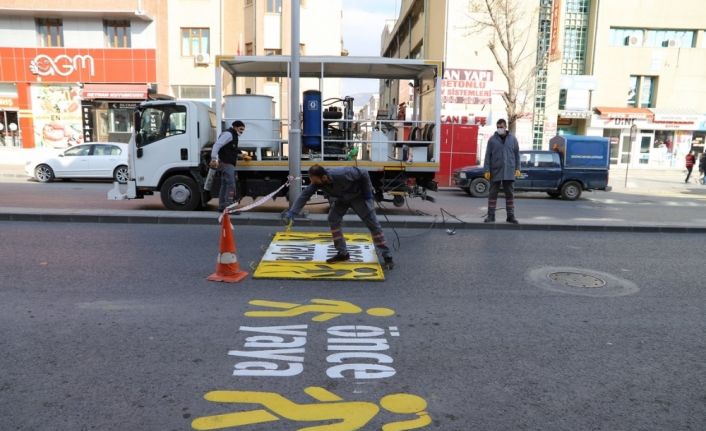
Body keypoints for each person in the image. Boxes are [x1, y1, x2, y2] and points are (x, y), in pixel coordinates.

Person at [283, 165, 394, 269]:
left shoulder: (342, 174)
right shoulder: (317, 182)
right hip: (342, 199)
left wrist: (368, 195)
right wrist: (292, 213)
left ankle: (387, 256)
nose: (314, 184)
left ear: (324, 177)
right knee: (333, 219)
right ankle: (342, 253)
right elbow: (305, 195)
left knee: (373, 224)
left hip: (358, 197)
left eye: (316, 181)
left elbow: (364, 173)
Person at [482, 118, 521, 223]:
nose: (499, 129)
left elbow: (517, 154)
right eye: (498, 127)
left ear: (505, 127)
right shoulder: (492, 140)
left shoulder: (513, 139)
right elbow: (487, 156)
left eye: (501, 127)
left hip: (509, 171)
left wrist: (518, 168)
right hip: (495, 171)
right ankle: (491, 216)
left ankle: (510, 216)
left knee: (510, 194)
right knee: (492, 194)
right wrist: (486, 170)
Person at [209, 120, 250, 212]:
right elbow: (217, 145)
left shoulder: (232, 135)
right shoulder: (229, 134)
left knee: (224, 185)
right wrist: (213, 158)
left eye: (243, 129)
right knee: (231, 185)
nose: (242, 131)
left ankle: (222, 206)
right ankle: (228, 207)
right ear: (235, 127)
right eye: (240, 129)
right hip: (226, 163)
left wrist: (241, 154)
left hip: (225, 163)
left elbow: (231, 148)